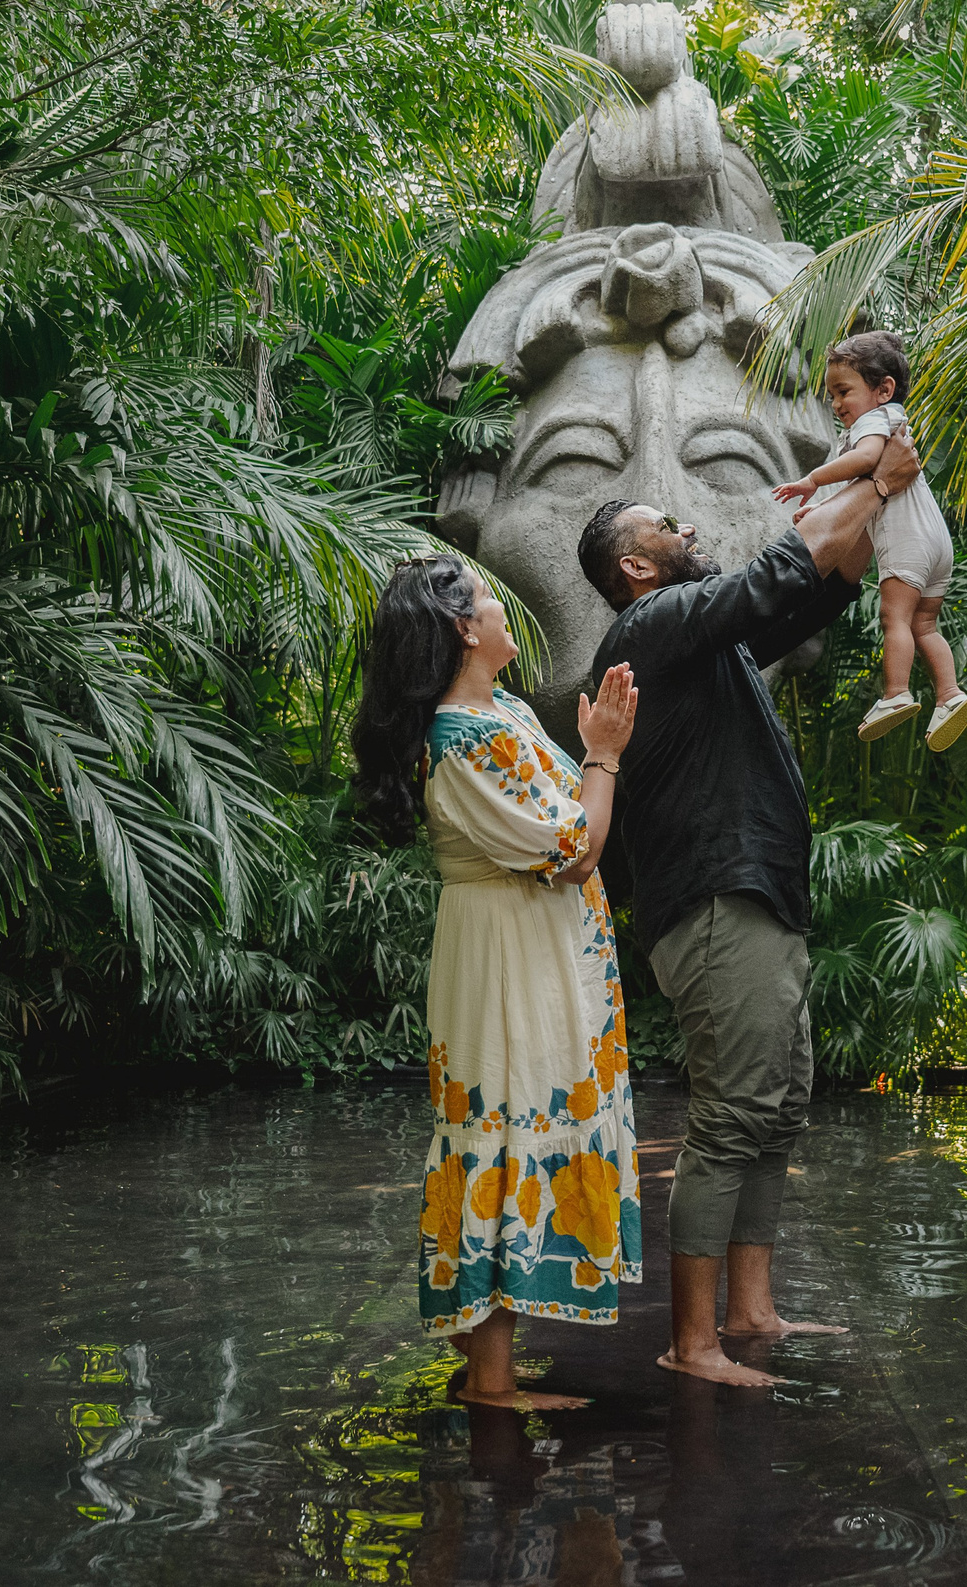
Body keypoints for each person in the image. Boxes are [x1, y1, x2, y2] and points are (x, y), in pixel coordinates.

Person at [577, 423, 923, 1386]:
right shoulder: (648, 629)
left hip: (759, 897)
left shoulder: (701, 646)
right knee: (734, 1115)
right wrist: (877, 478)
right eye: (669, 524)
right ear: (640, 566)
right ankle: (692, 1345)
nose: (690, 525)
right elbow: (773, 576)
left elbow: (810, 589)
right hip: (719, 903)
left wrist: (881, 501)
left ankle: (753, 1311)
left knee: (777, 1107)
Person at [352, 556, 643, 1410]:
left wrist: (593, 759)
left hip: (540, 948)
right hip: (510, 958)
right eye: (487, 600)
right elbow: (575, 848)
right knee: (506, 1126)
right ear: (461, 631)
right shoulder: (463, 738)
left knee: (516, 1121)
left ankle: (485, 1363)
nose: (501, 607)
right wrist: (606, 758)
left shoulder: (504, 708)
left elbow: (564, 822)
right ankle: (490, 1381)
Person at [771, 331, 967, 750]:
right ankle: (950, 696)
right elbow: (867, 485)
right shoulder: (893, 421)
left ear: (883, 389)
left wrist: (812, 480)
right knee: (924, 625)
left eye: (843, 391)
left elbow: (866, 463)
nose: (836, 404)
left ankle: (896, 693)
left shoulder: (872, 423)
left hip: (906, 543)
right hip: (936, 542)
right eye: (831, 395)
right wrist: (823, 511)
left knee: (895, 620)